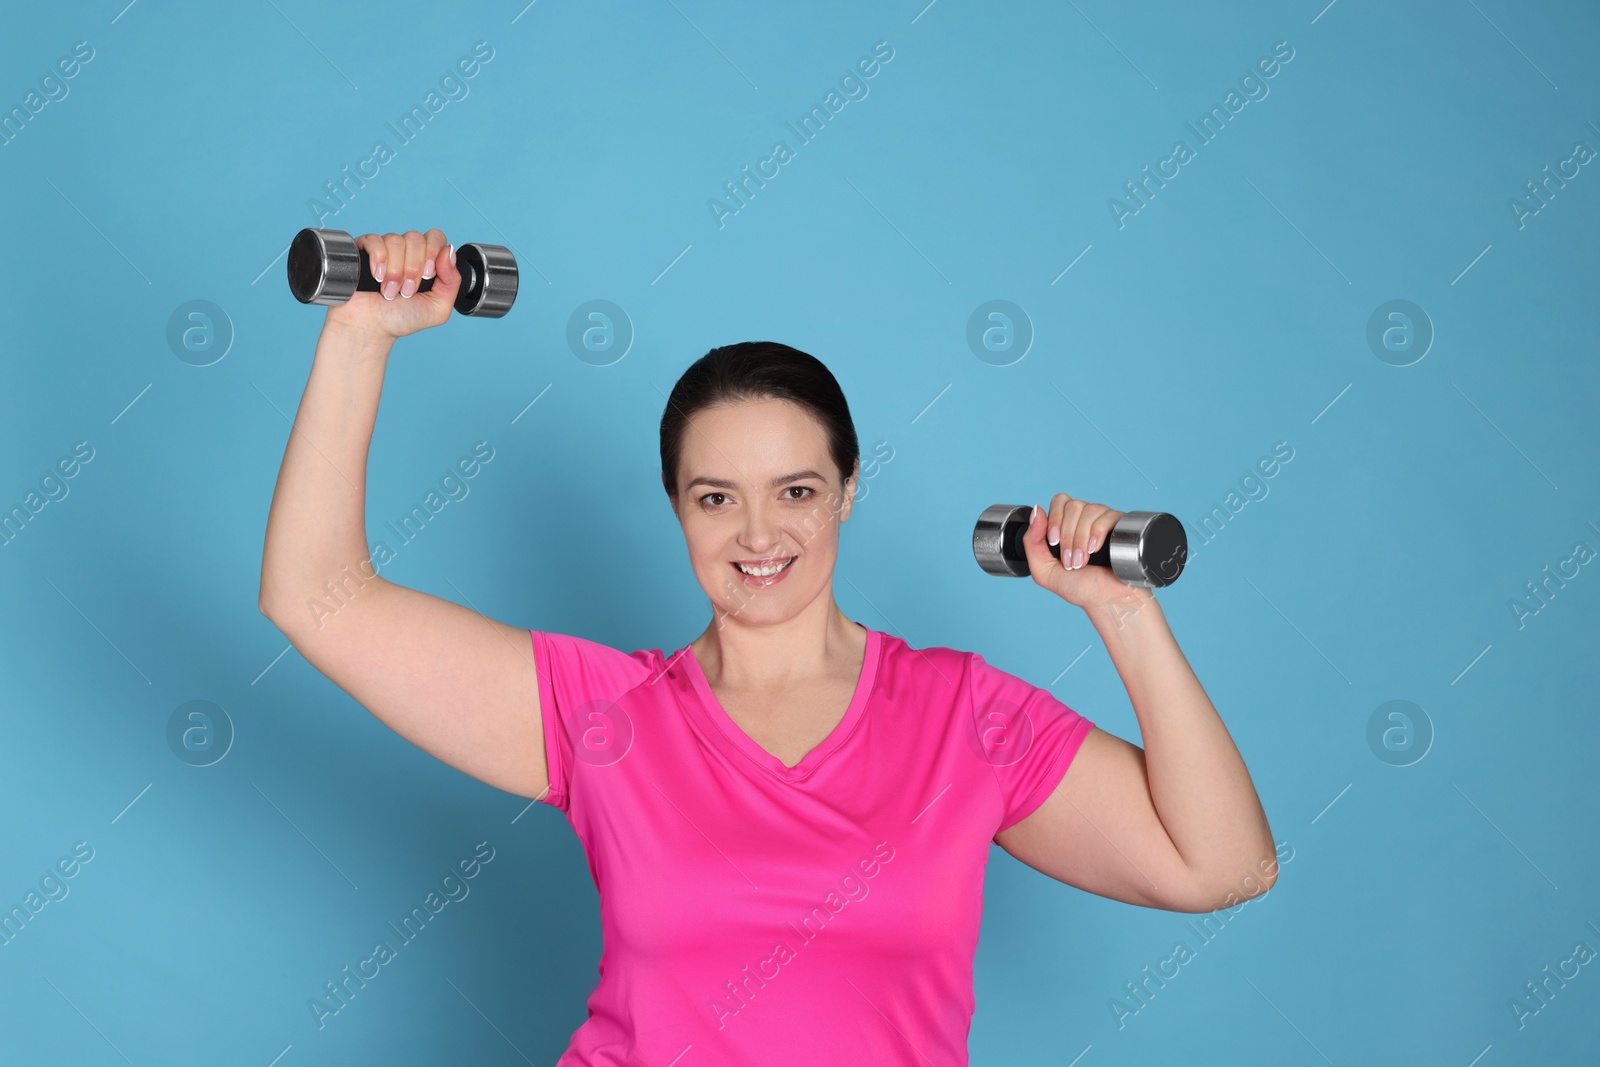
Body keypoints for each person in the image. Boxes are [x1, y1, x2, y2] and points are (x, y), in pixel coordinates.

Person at [259, 229, 1279, 1065]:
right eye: (716, 497)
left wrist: (1123, 612)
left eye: (794, 491)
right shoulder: (602, 715)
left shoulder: (962, 715)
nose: (757, 534)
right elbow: (316, 597)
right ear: (675, 508)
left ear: (844, 493)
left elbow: (1222, 865)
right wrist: (362, 334)